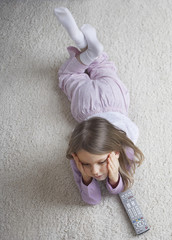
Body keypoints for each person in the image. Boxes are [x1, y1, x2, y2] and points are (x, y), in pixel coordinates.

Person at [54, 7, 144, 205]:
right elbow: (105, 195)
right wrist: (111, 178)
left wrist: (103, 174)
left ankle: (87, 47)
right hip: (92, 102)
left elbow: (92, 198)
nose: (94, 171)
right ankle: (85, 46)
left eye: (101, 162)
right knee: (71, 76)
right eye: (87, 164)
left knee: (103, 68)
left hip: (111, 101)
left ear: (115, 152)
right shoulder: (80, 155)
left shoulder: (89, 153)